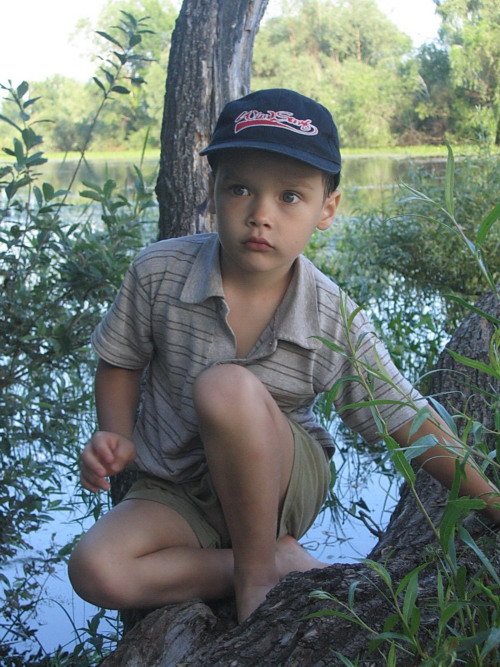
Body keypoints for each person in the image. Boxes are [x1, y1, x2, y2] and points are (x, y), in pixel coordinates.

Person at [68, 88, 500, 623]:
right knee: (96, 569)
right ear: (214, 191)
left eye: (290, 196)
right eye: (241, 189)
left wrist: (493, 502)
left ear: (328, 209)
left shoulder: (331, 314)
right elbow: (121, 360)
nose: (260, 215)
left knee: (224, 387)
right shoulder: (158, 273)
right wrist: (116, 434)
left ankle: (256, 576)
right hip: (177, 489)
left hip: (281, 486)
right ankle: (269, 562)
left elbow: (406, 417)